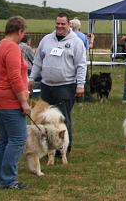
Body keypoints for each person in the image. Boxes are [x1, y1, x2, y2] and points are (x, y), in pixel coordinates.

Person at [29, 13, 86, 154]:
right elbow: (37, 61)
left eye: (63, 24)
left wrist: (80, 85)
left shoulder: (76, 42)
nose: (60, 26)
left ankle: (64, 149)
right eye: (58, 23)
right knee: (45, 120)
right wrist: (31, 78)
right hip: (47, 86)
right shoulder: (46, 40)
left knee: (62, 119)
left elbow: (81, 65)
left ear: (68, 25)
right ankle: (48, 149)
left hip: (66, 86)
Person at [0, 16, 31, 190]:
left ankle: (1, 177)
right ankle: (8, 180)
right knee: (17, 139)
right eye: (23, 33)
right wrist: (24, 102)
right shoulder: (12, 48)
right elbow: (14, 78)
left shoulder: (0, 45)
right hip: (10, 100)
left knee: (4, 140)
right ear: (20, 31)